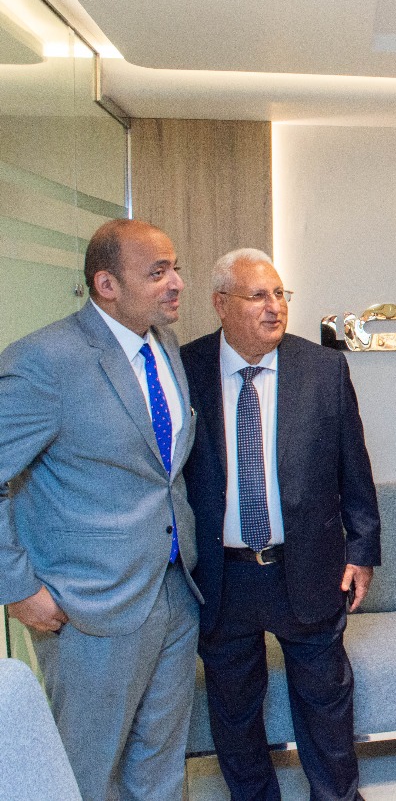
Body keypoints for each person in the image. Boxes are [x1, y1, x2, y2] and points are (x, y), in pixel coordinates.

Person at [0, 218, 199, 800]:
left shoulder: (165, 347)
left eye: (175, 268)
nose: (176, 283)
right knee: (83, 778)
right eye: (157, 272)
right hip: (87, 607)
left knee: (160, 775)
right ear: (106, 285)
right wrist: (17, 587)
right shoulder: (43, 361)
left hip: (174, 591)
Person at [181, 248, 380, 801]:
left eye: (280, 294)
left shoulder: (322, 369)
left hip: (306, 566)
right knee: (234, 714)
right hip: (223, 575)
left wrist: (362, 550)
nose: (275, 307)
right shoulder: (185, 368)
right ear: (221, 304)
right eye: (258, 296)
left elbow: (354, 467)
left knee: (326, 707)